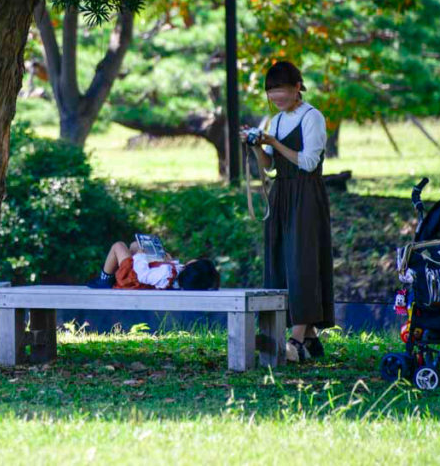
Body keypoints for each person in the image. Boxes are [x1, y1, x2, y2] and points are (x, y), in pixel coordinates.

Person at [241, 60, 334, 363]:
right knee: (281, 260)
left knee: (302, 262)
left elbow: (308, 162)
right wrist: (257, 145)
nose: (276, 96)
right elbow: (269, 168)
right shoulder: (276, 120)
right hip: (282, 195)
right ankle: (309, 339)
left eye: (281, 88)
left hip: (307, 196)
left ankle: (295, 340)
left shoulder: (312, 117)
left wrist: (274, 143)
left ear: (297, 87)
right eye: (271, 91)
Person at [87, 240, 220, 291]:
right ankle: (112, 272)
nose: (193, 259)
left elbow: (143, 275)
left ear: (192, 267)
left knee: (118, 246)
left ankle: (105, 279)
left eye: (195, 261)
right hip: (140, 274)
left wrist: (141, 256)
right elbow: (168, 271)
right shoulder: (178, 276)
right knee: (134, 245)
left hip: (132, 278)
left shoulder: (166, 274)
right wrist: (168, 260)